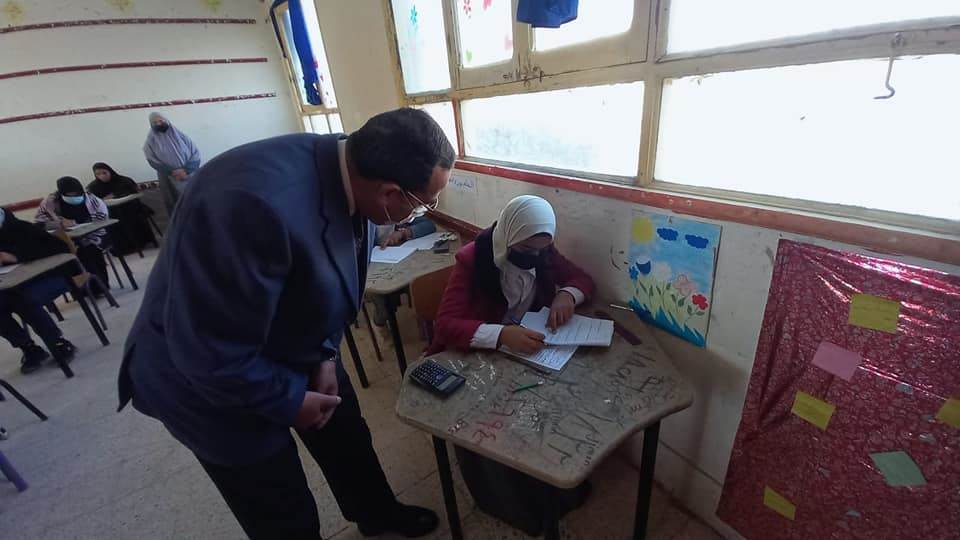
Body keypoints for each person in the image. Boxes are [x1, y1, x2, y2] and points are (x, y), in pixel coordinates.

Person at [118, 108, 455, 539]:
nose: (425, 211)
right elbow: (207, 351)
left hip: (288, 337)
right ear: (389, 192)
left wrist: (326, 356)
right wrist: (288, 399)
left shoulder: (355, 165)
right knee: (278, 499)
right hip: (205, 376)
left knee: (347, 439)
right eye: (425, 203)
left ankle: (377, 515)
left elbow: (332, 277)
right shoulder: (247, 205)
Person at [429, 195, 595, 536]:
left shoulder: (542, 251)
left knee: (548, 408)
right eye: (525, 249)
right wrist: (502, 335)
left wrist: (567, 295)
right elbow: (445, 325)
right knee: (492, 424)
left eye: (540, 251)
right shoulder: (472, 260)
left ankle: (552, 484)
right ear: (507, 234)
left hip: (522, 351)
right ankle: (515, 504)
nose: (533, 257)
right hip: (477, 352)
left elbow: (582, 279)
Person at [0, 208, 77, 373]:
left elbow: (60, 248)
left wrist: (16, 257)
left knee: (22, 299)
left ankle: (57, 342)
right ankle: (28, 347)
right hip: (13, 284)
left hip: (50, 278)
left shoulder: (23, 228)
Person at [35, 176, 110, 293]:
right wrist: (57, 221)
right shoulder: (51, 202)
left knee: (87, 249)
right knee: (66, 252)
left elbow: (102, 218)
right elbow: (40, 224)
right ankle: (80, 290)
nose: (74, 197)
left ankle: (99, 287)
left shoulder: (92, 199)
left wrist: (75, 222)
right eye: (69, 195)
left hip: (93, 234)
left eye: (76, 194)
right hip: (67, 239)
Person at [88, 162, 158, 254]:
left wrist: (116, 195)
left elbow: (134, 192)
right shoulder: (94, 186)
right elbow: (94, 201)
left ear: (110, 171)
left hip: (131, 208)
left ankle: (140, 242)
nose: (102, 176)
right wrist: (103, 200)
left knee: (130, 217)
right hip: (110, 212)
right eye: (98, 174)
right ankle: (123, 248)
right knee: (111, 221)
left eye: (104, 173)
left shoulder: (124, 180)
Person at [142, 112, 201, 213]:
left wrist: (186, 170)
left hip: (190, 174)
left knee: (195, 198)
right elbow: (152, 160)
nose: (159, 124)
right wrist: (172, 172)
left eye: (161, 120)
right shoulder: (150, 142)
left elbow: (195, 153)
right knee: (174, 202)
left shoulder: (182, 137)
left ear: (166, 120)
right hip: (168, 178)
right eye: (155, 122)